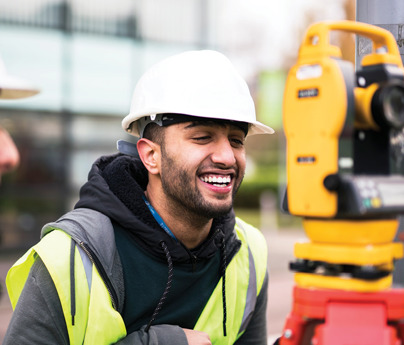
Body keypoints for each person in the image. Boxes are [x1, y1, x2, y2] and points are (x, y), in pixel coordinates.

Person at [4, 50, 274, 345]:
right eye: (202, 137)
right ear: (151, 156)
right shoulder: (67, 258)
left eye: (236, 141)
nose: (226, 157)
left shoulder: (248, 252)